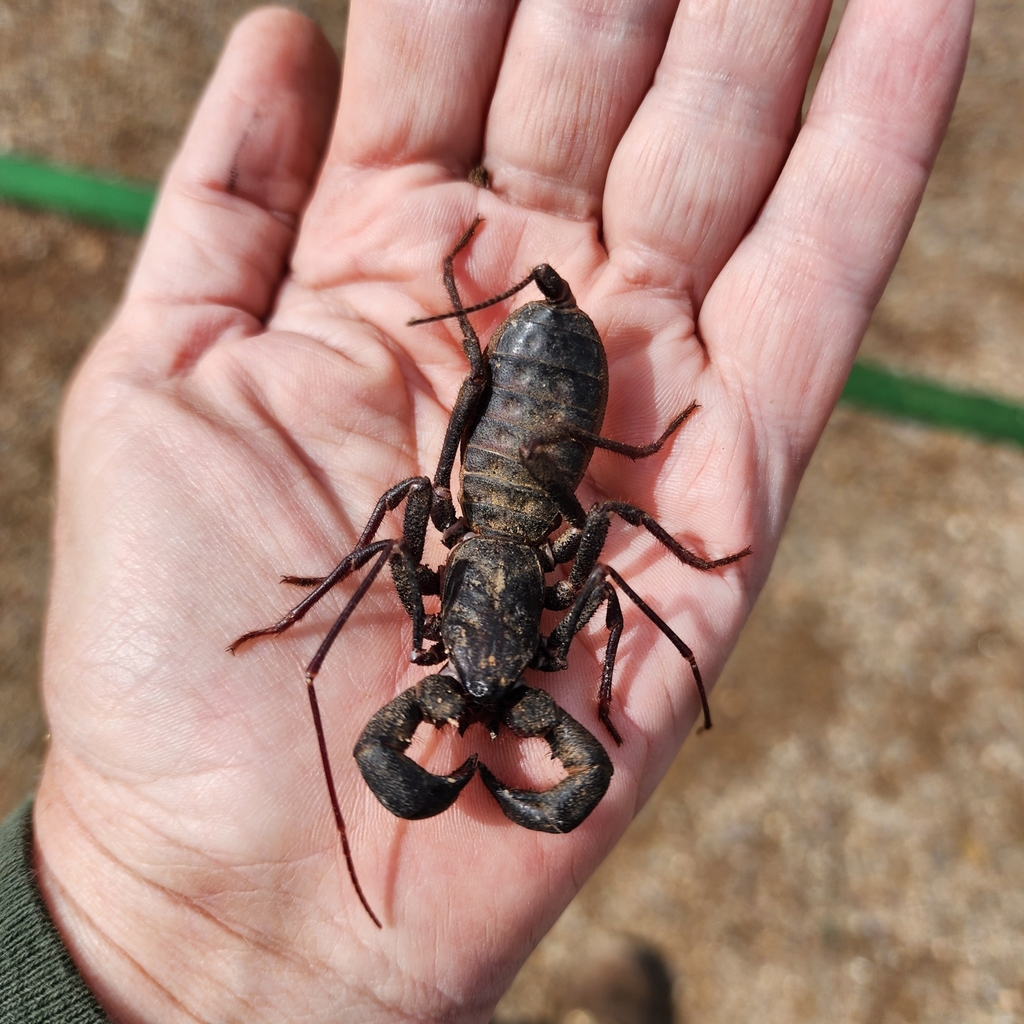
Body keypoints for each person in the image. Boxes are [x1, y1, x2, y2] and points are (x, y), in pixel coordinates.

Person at [1, 0, 972, 1020]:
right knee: (417, 501)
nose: (479, 706)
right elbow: (427, 534)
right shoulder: (506, 620)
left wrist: (638, 629)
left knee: (464, 508)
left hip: (528, 449)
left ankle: (510, 364)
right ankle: (483, 364)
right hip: (528, 462)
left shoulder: (494, 592)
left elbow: (579, 564)